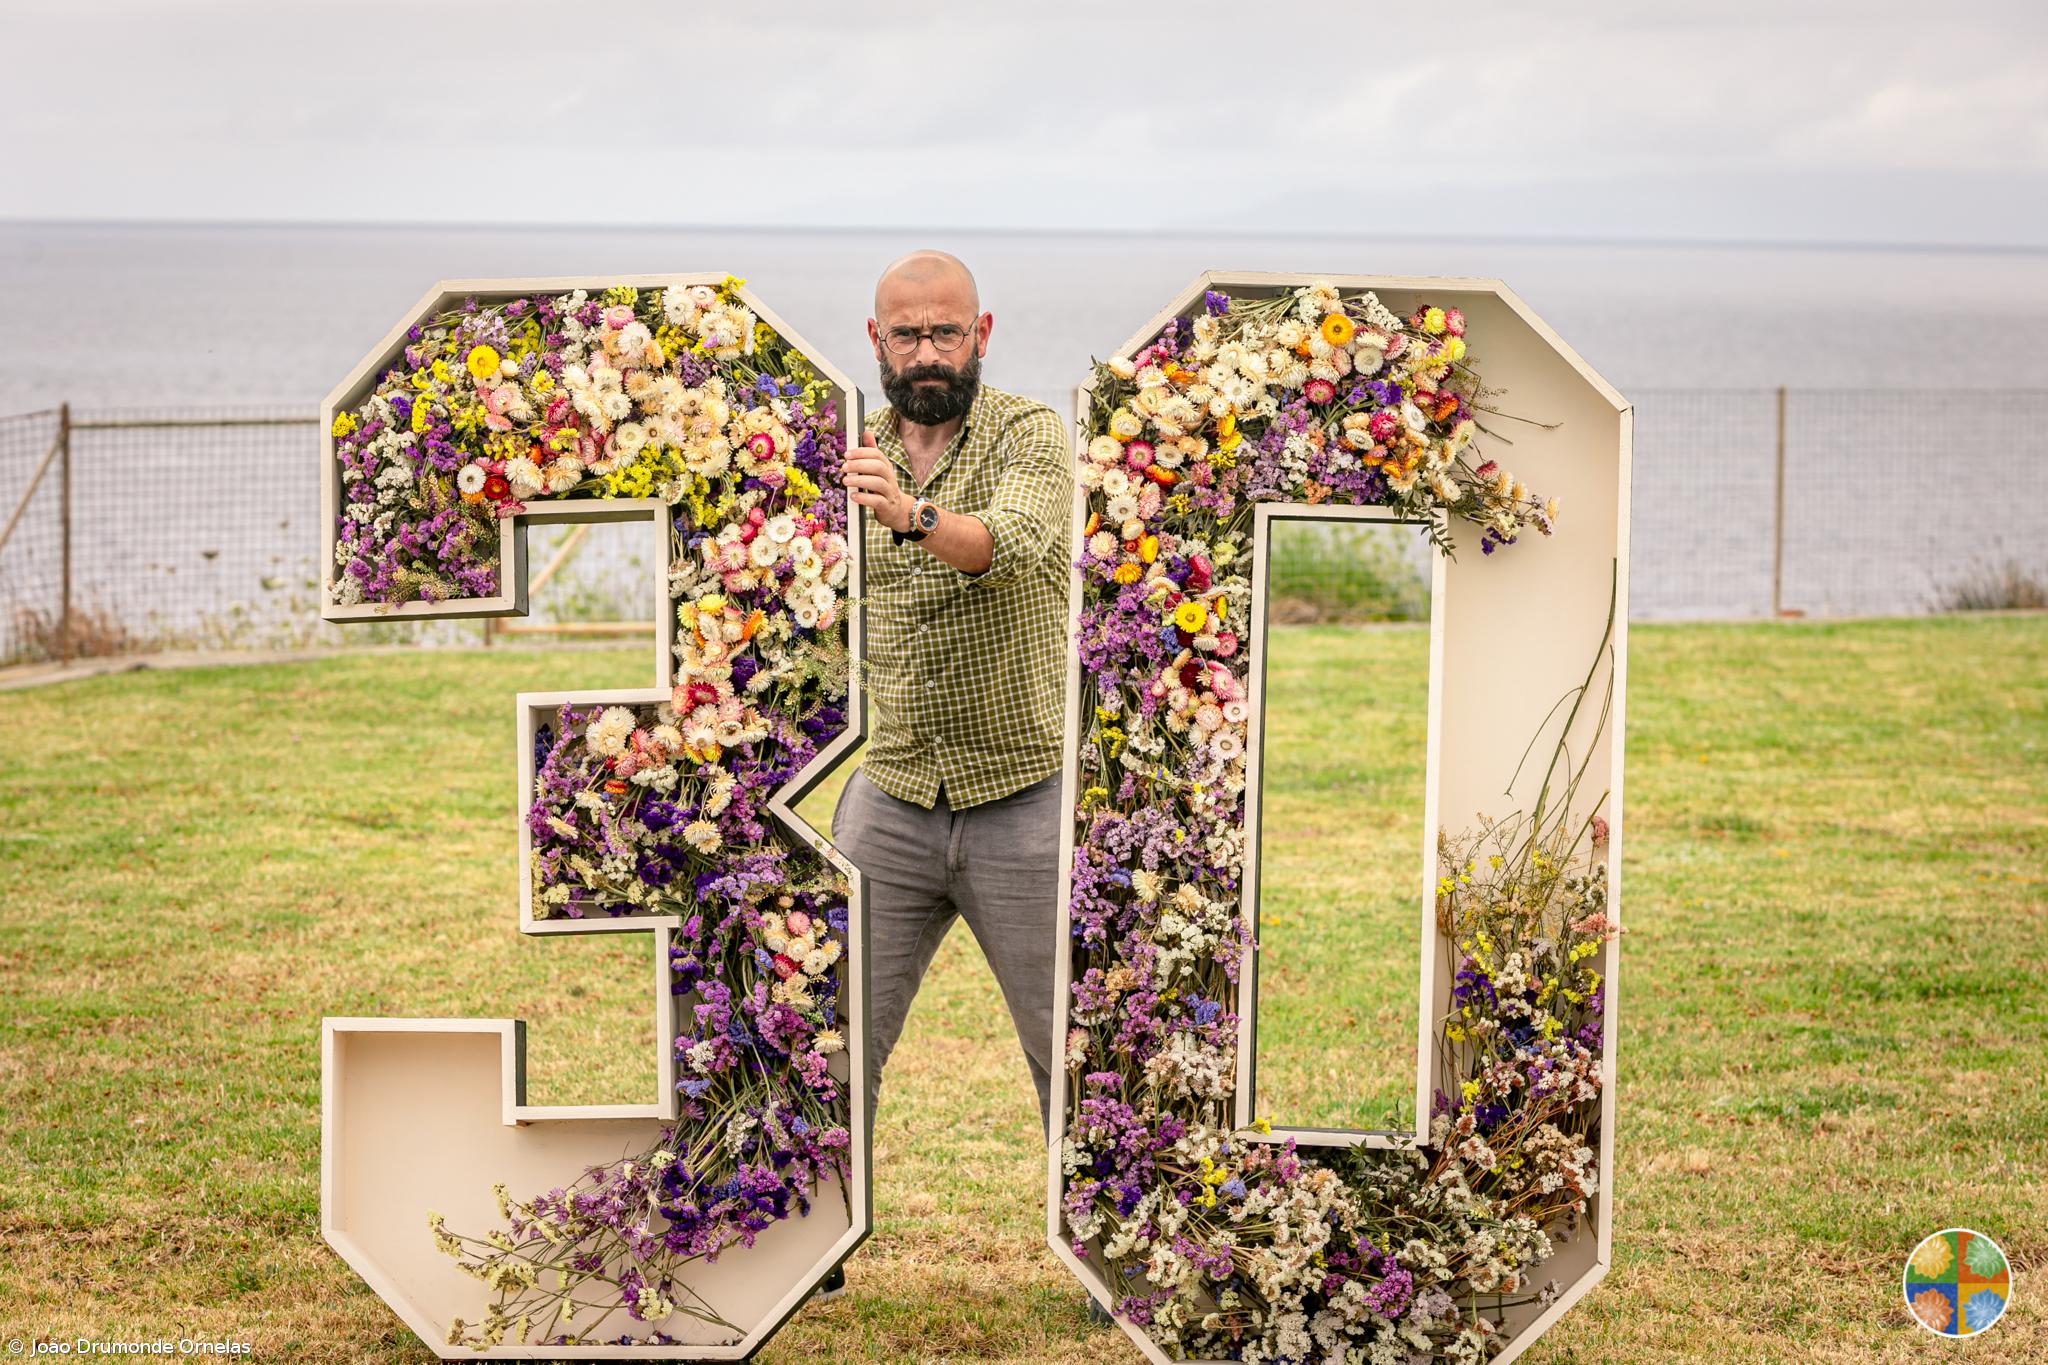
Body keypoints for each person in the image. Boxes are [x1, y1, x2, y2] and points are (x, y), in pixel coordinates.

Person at [812, 249, 1086, 1312]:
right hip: (889, 792)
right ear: (874, 340)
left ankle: (1105, 1244)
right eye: (907, 334)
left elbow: (1011, 548)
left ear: (982, 332)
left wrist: (911, 517)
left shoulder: (1027, 434)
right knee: (826, 1028)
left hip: (1021, 794)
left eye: (946, 332)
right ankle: (800, 1239)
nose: (928, 352)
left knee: (1062, 1043)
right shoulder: (844, 447)